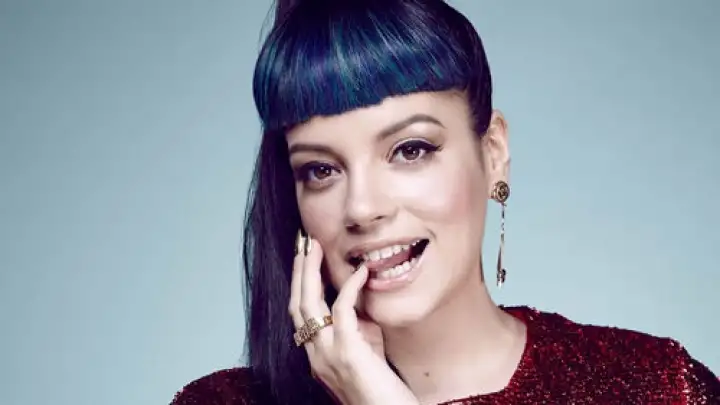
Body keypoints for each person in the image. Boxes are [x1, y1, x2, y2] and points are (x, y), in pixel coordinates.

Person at [170, 0, 720, 404]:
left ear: (494, 152)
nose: (361, 207)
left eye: (410, 150)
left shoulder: (661, 387)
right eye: (321, 170)